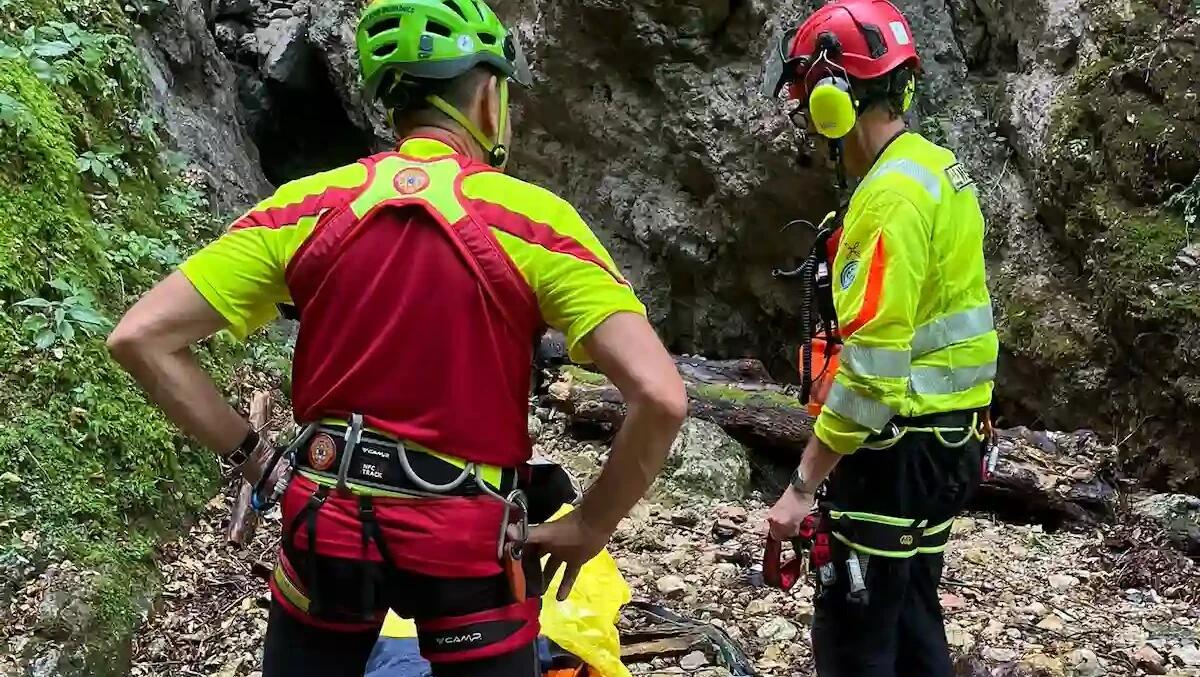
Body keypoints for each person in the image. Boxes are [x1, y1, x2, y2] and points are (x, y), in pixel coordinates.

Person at [107, 0, 687, 675]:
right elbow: (661, 396)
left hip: (327, 522)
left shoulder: (306, 205)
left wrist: (256, 458)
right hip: (467, 539)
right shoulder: (536, 223)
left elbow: (140, 337)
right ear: (490, 99)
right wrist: (590, 524)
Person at [760, 1, 999, 675]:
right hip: (950, 442)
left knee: (856, 635)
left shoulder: (888, 199)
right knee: (914, 616)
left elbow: (872, 375)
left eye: (811, 100)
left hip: (897, 452)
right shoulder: (936, 169)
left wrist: (803, 485)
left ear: (832, 101)